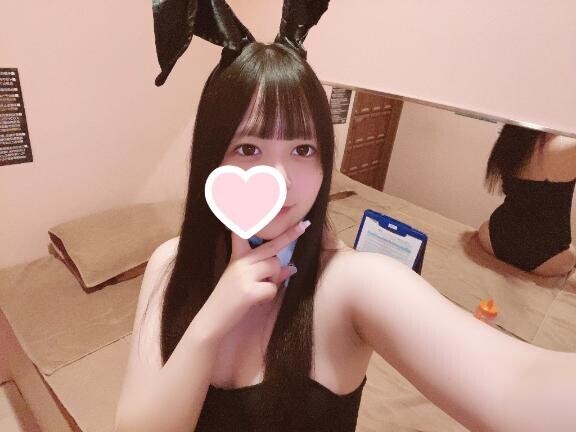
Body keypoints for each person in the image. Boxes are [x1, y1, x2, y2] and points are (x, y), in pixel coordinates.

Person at [114, 2, 576, 431]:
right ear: (210, 158)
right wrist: (211, 321)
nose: (281, 179)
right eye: (249, 148)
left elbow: (518, 384)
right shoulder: (169, 265)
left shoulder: (350, 282)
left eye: (303, 149)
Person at [478, 124, 576, 277]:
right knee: (571, 256)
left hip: (492, 237)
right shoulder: (570, 144)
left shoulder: (513, 132)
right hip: (551, 258)